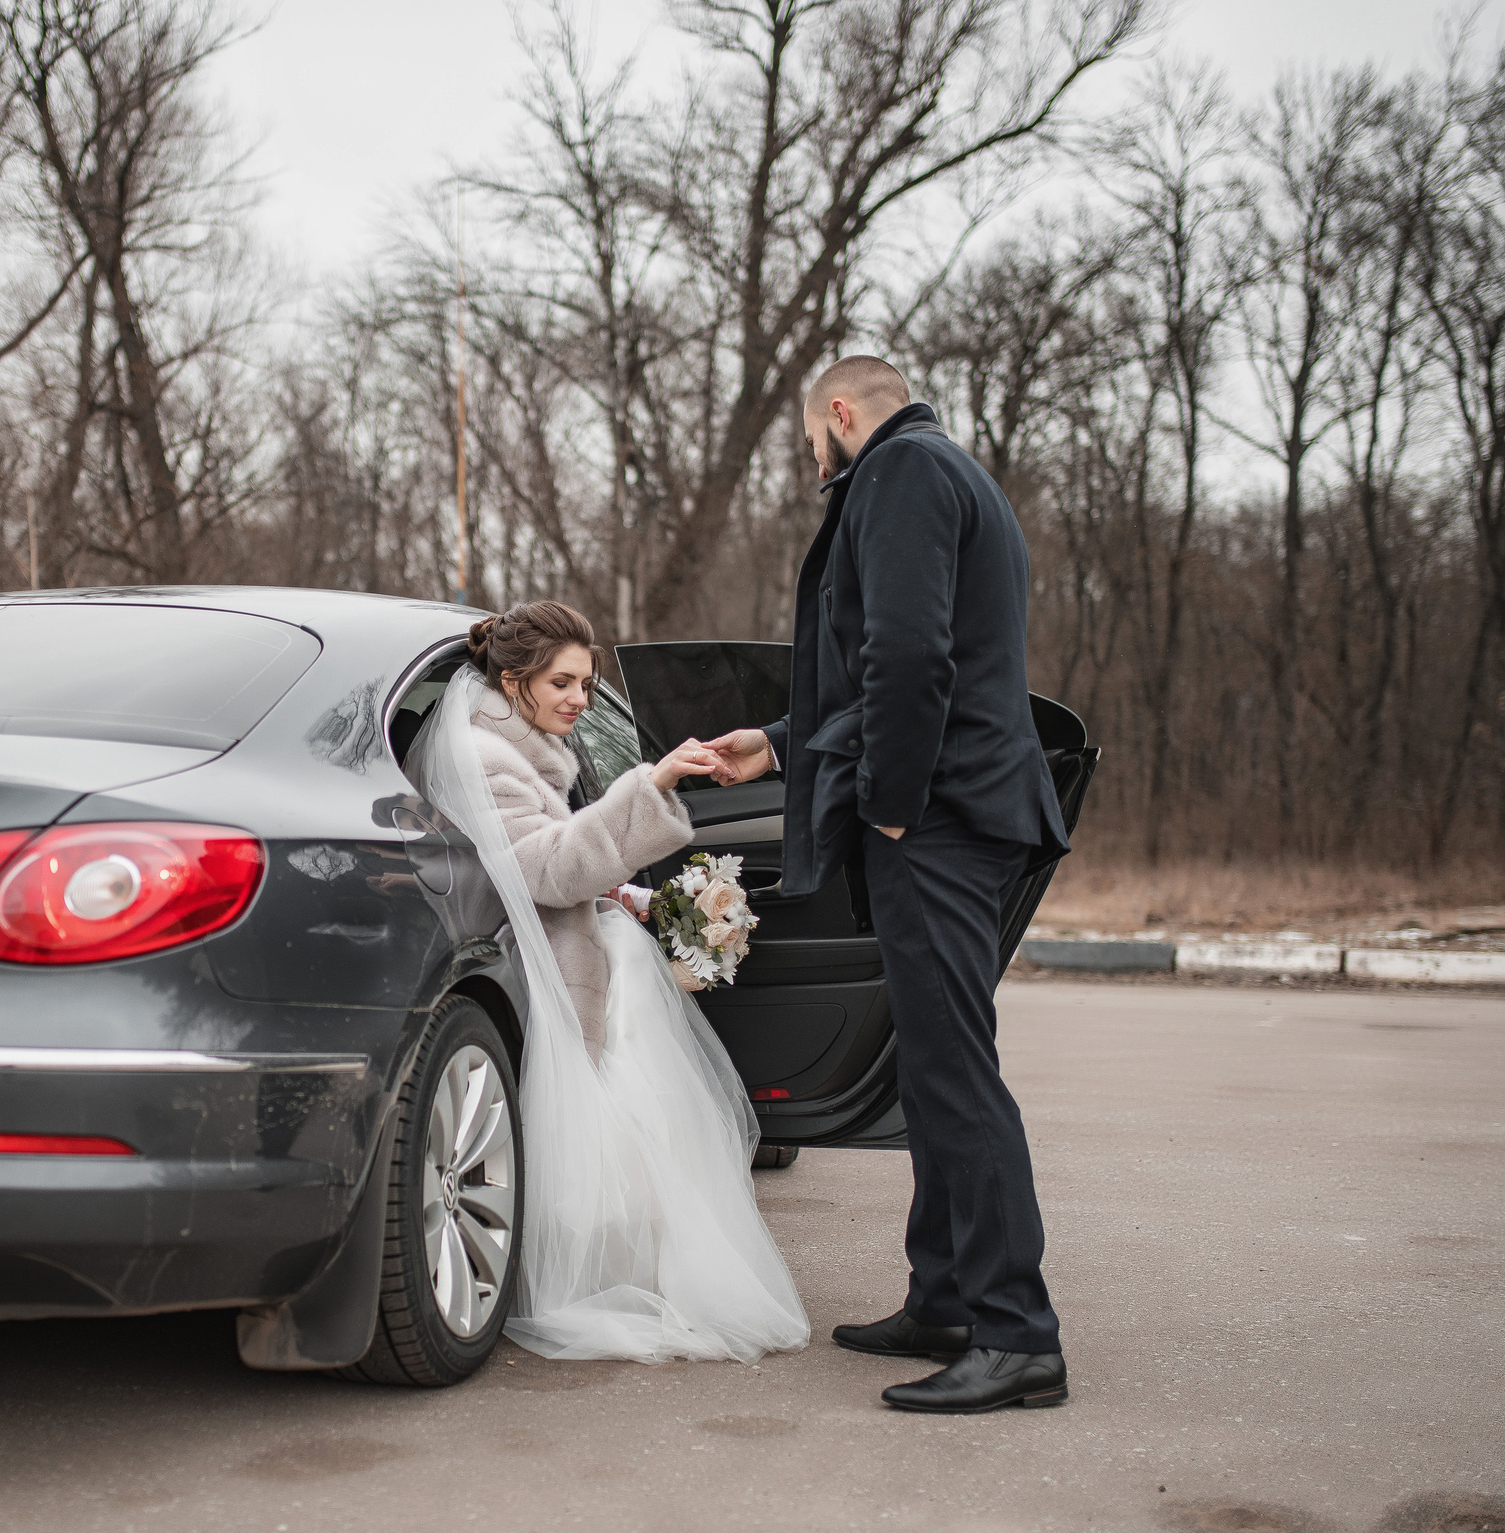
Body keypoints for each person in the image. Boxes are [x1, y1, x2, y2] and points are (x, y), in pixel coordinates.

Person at [704, 357, 1072, 1414]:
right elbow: (886, 662)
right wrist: (774, 748)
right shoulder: (949, 471)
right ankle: (946, 1296)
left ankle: (1017, 1335)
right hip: (962, 809)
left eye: (807, 440)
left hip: (941, 818)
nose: (811, 461)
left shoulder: (902, 471)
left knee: (954, 1074)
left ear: (835, 411)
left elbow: (908, 660)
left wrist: (895, 801)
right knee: (932, 1065)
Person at [410, 601, 809, 1363]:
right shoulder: (484, 757)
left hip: (567, 952)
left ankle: (627, 1261)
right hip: (545, 977)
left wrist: (626, 896)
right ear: (514, 678)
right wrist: (648, 785)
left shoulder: (522, 749)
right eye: (562, 682)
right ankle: (598, 1272)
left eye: (588, 686)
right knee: (617, 1131)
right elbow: (545, 868)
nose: (578, 700)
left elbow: (541, 870)